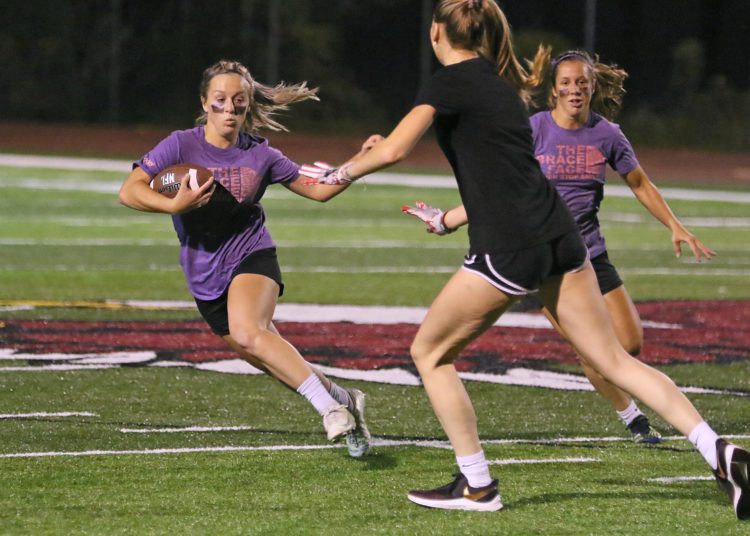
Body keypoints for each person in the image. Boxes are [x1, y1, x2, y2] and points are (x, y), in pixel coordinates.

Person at [300, 0, 749, 517]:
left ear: (437, 33)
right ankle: (718, 450)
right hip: (560, 235)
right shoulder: (496, 81)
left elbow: (397, 150)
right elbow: (486, 167)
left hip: (510, 245)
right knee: (615, 360)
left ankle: (477, 486)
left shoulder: (449, 81)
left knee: (429, 354)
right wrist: (413, 187)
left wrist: (341, 173)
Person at [402, 47, 716, 445]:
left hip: (589, 254)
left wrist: (675, 225)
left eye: (581, 83)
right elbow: (500, 188)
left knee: (630, 343)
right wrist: (448, 219)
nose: (574, 90)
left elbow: (639, 183)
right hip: (543, 257)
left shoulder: (607, 134)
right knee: (592, 351)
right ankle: (632, 417)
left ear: (593, 86)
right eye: (565, 83)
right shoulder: (533, 129)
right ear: (553, 90)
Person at [119, 59, 372, 458]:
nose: (230, 109)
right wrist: (173, 205)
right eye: (220, 100)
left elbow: (319, 189)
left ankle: (331, 410)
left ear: (248, 104)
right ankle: (344, 397)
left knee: (248, 331)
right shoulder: (180, 145)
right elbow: (129, 190)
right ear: (205, 103)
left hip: (251, 253)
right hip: (204, 270)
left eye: (239, 101)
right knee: (260, 350)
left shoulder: (262, 154)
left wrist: (360, 163)